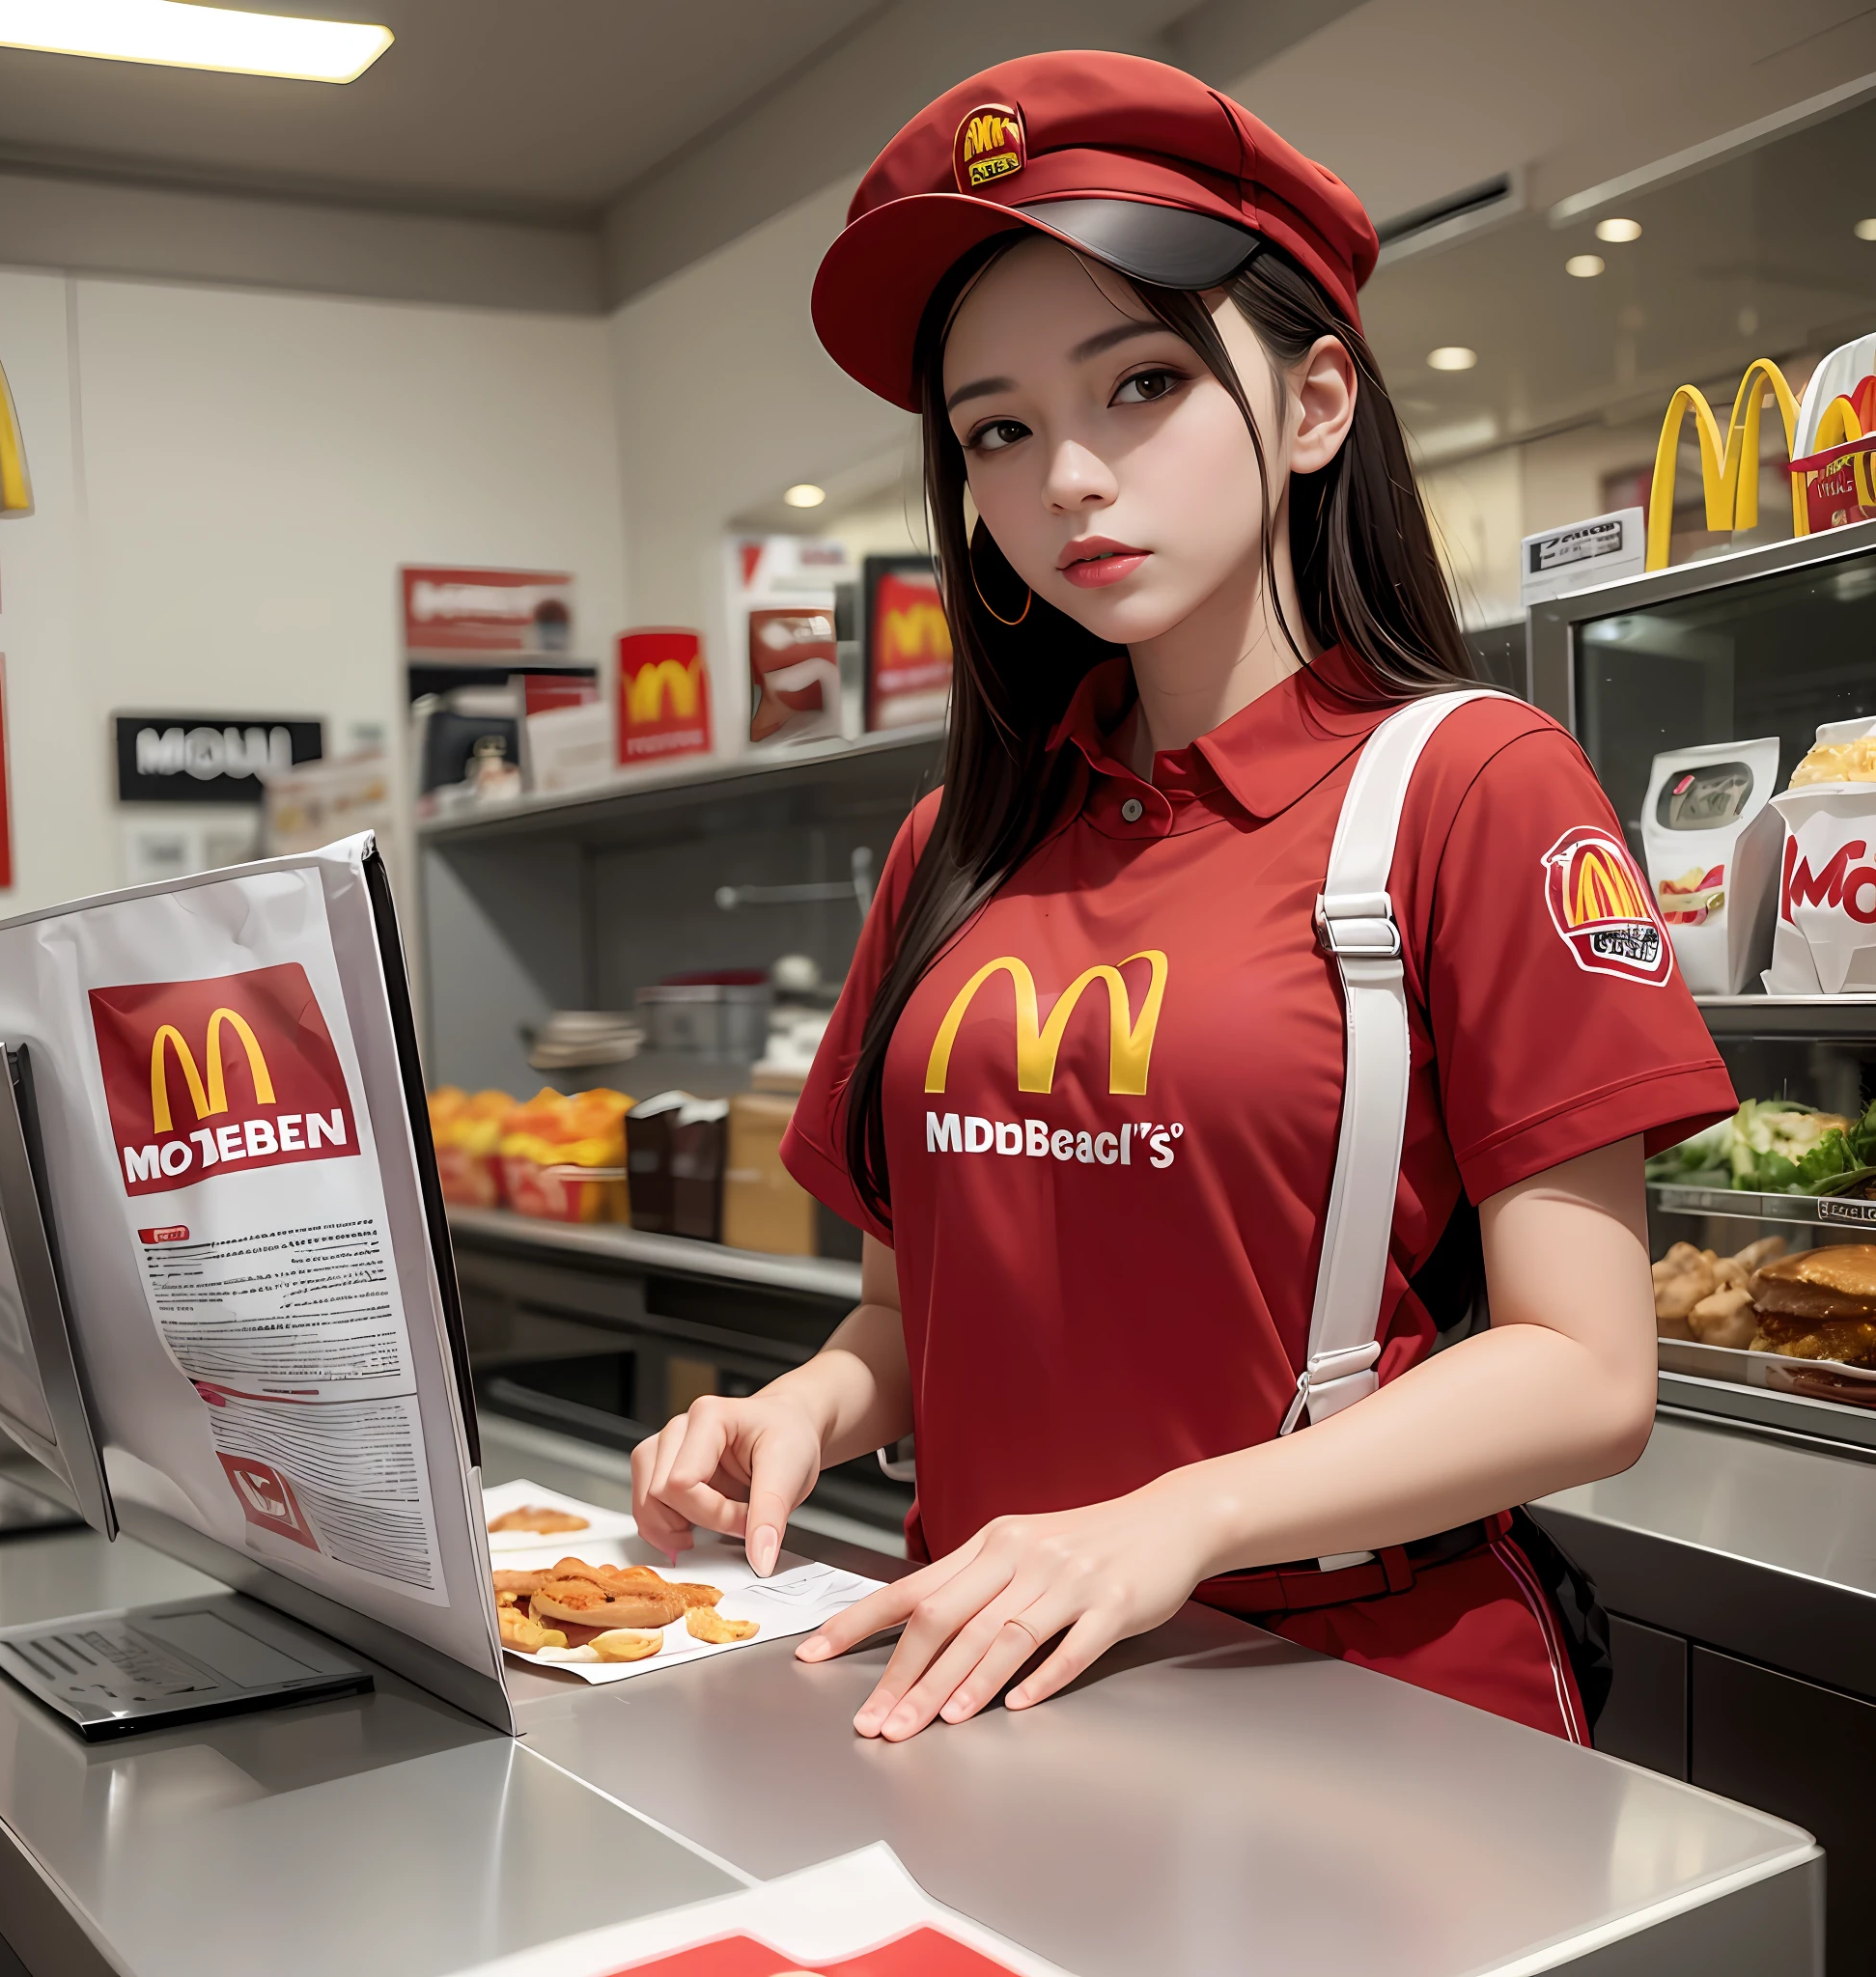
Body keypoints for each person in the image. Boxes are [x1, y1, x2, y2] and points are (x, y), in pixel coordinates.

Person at [630, 51, 1734, 1745]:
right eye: (997, 428)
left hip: (1364, 1709)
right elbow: (906, 1319)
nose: (1065, 476)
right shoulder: (956, 849)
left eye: (1138, 384)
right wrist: (799, 1407)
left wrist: (1177, 1519)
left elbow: (1587, 1372)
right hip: (984, 1697)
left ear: (1313, 404)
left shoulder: (1467, 790)